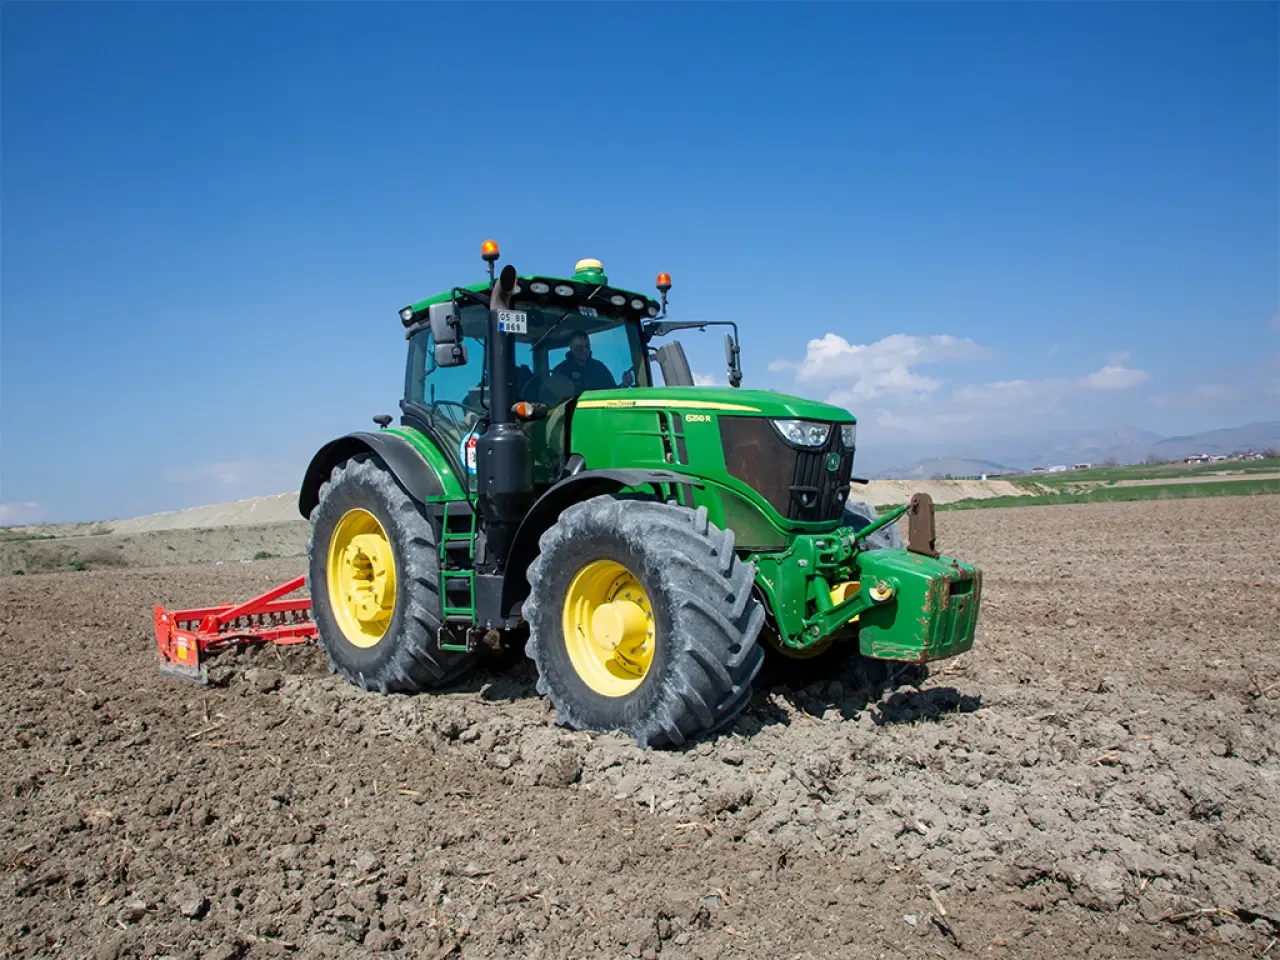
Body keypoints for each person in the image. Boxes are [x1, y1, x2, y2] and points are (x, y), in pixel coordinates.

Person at [551, 330, 632, 394]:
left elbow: (612, 393)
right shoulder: (561, 370)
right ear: (571, 347)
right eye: (579, 347)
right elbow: (552, 400)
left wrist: (624, 385)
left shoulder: (599, 368)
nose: (584, 350)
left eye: (587, 346)